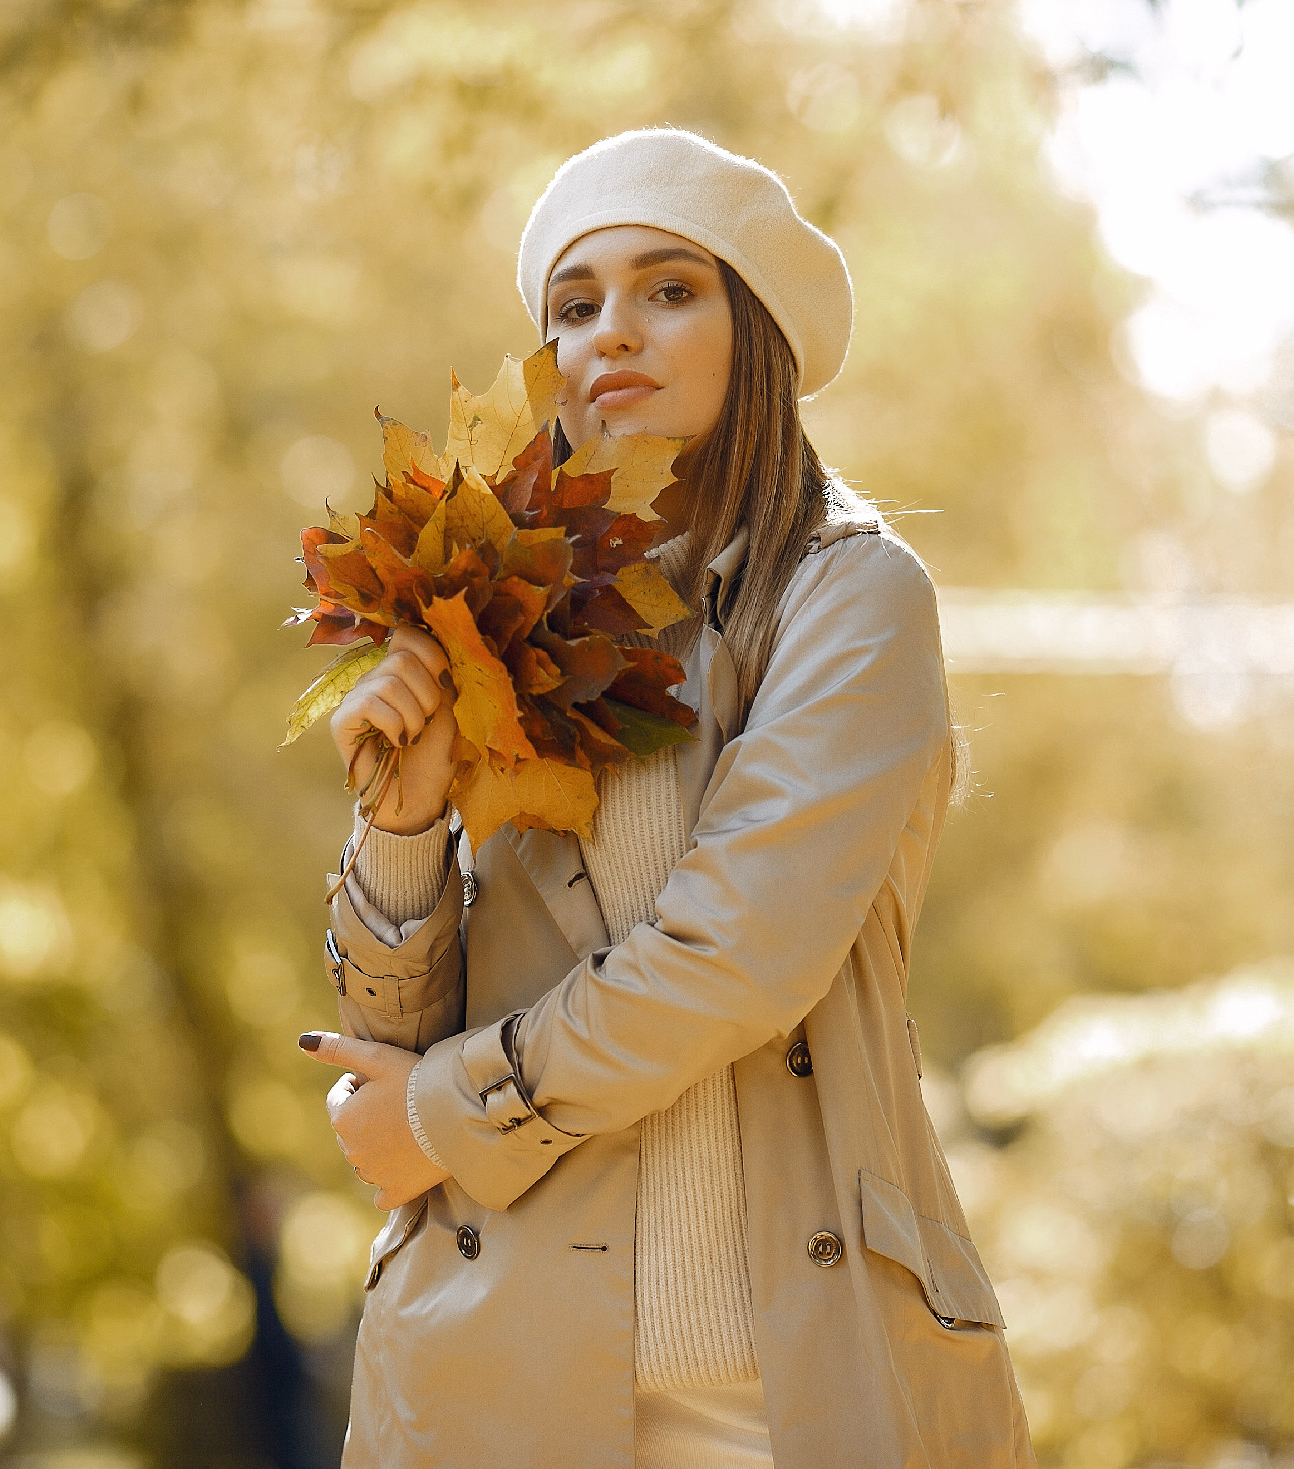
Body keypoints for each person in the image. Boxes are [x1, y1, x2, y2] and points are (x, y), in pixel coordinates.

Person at [300, 129, 1037, 1467]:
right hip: (495, 1380)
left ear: (752, 326)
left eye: (669, 289)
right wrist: (401, 825)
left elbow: (735, 950)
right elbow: (393, 1036)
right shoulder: (509, 613)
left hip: (791, 1396)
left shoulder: (848, 598)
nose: (611, 335)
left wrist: (444, 1115)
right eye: (575, 308)